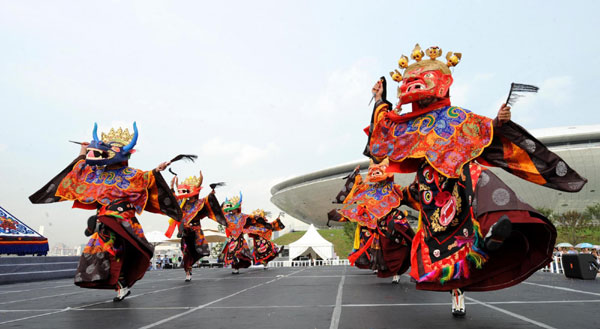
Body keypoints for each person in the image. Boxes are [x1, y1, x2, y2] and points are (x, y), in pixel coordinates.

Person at [363, 44, 587, 316]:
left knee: (479, 176)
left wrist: (499, 122)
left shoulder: (456, 117)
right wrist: (379, 99)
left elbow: (485, 131)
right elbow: (382, 133)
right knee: (437, 237)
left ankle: (492, 234)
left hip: (455, 180)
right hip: (428, 189)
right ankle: (475, 256)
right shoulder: (408, 124)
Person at [30, 123, 182, 301]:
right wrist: (82, 150)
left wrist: (158, 170)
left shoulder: (131, 174)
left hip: (122, 219)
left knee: (116, 252)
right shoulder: (95, 173)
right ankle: (120, 285)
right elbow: (77, 170)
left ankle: (121, 283)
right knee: (97, 254)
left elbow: (147, 178)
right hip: (104, 220)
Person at [328, 160, 415, 284]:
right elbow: (358, 190)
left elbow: (407, 194)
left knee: (398, 246)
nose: (374, 173)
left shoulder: (394, 188)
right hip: (375, 223)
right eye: (372, 170)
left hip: (391, 220)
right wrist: (357, 176)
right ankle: (388, 270)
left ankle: (398, 271)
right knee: (381, 249)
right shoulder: (369, 189)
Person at [166, 171, 227, 282]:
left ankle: (190, 267)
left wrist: (212, 194)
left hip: (196, 231)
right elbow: (172, 198)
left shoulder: (200, 203)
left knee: (196, 250)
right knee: (186, 252)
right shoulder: (182, 203)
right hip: (185, 232)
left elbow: (208, 201)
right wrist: (171, 186)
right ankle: (188, 271)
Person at [220, 193, 253, 274]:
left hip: (240, 238)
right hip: (232, 238)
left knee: (242, 254)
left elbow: (251, 220)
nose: (232, 210)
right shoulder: (228, 216)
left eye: (233, 208)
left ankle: (237, 266)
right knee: (232, 253)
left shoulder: (243, 216)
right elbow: (221, 213)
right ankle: (235, 267)